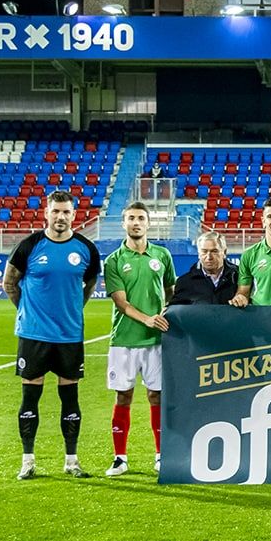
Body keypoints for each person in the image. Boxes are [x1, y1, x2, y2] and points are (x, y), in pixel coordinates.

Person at [2, 190, 101, 480]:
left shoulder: (86, 249)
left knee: (70, 398)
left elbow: (90, 282)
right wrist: (28, 312)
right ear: (46, 213)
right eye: (55, 211)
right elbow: (9, 283)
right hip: (34, 335)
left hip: (69, 335)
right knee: (30, 397)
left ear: (74, 215)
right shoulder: (29, 246)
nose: (60, 217)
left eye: (66, 212)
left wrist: (73, 309)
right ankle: (28, 460)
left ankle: (72, 461)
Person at [102, 202, 176, 476]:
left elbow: (171, 290)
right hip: (124, 339)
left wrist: (167, 312)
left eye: (141, 218)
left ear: (148, 223)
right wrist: (147, 319)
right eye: (131, 218)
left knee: (157, 395)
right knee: (123, 395)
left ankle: (161, 455)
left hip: (156, 340)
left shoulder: (162, 255)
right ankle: (120, 458)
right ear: (124, 223)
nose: (136, 222)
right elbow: (121, 302)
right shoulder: (113, 260)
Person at [169, 231, 238, 305]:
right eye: (204, 251)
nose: (209, 257)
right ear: (199, 254)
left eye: (214, 251)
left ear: (224, 252)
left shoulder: (239, 277)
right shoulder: (184, 282)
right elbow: (175, 309)